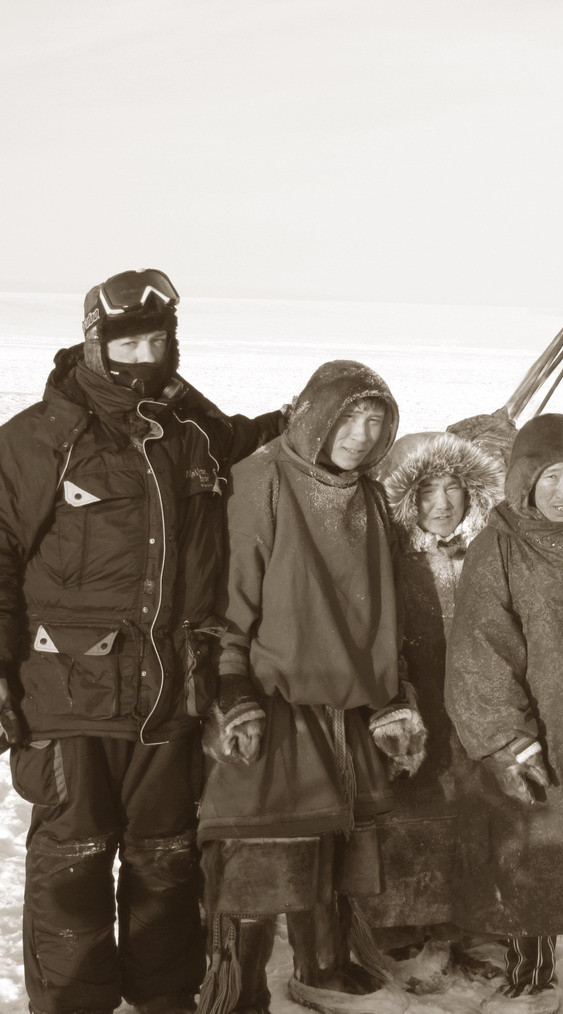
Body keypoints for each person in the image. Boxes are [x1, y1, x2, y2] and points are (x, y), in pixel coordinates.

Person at [0, 268, 285, 1014]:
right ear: (96, 343)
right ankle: (73, 1005)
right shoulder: (40, 437)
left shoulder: (191, 432)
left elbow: (252, 438)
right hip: (69, 698)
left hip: (169, 694)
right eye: (127, 343)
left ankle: (165, 1000)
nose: (144, 357)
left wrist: (308, 416)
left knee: (166, 859)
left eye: (157, 341)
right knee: (74, 860)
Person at [196, 360, 424, 1014]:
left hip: (347, 706)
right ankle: (235, 991)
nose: (361, 434)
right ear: (317, 414)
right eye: (349, 418)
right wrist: (231, 687)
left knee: (333, 850)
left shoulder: (368, 496)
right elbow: (231, 598)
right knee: (260, 855)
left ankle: (323, 967)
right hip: (275, 702)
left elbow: (382, 608)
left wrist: (391, 693)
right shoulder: (262, 479)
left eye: (376, 421)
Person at [444, 413, 563, 1014]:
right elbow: (479, 651)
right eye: (549, 477)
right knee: (533, 851)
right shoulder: (498, 547)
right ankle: (533, 974)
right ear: (524, 479)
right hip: (535, 732)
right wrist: (508, 739)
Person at [358, 432, 506, 986]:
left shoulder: (492, 549)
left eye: (453, 488)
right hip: (414, 703)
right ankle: (407, 928)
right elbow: (373, 633)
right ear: (406, 498)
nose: (441, 504)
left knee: (479, 817)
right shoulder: (388, 556)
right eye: (426, 491)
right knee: (411, 815)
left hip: (479, 709)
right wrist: (395, 701)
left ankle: (474, 926)